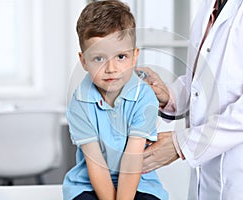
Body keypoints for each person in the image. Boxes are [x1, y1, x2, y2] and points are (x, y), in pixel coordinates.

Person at [139, 0, 243, 199]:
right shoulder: (211, 4)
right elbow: (207, 81)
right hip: (206, 179)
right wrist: (169, 96)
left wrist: (183, 144)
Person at [62, 1, 168, 200]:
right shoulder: (79, 102)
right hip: (89, 183)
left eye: (121, 56)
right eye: (99, 59)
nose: (111, 68)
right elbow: (96, 164)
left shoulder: (144, 97)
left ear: (134, 56)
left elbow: (132, 160)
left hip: (139, 180)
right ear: (83, 61)